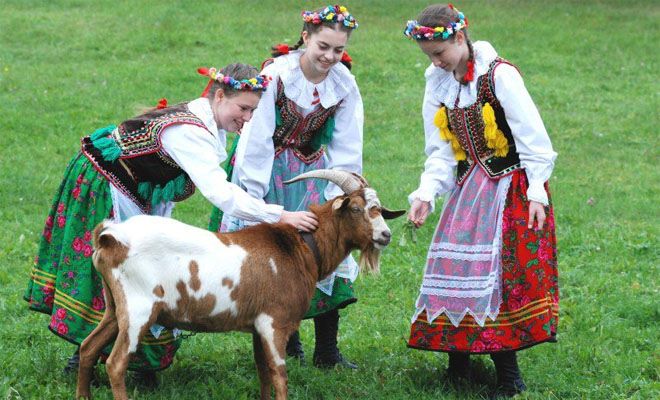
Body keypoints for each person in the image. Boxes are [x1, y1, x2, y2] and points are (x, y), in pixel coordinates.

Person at [24, 63, 317, 385]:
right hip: (105, 184)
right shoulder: (189, 132)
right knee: (116, 272)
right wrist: (279, 215)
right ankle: (85, 359)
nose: (248, 118)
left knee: (148, 271)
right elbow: (220, 193)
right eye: (243, 108)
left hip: (137, 189)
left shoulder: (208, 119)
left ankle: (133, 360)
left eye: (253, 110)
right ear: (219, 95)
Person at [403, 4, 559, 398]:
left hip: (511, 186)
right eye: (429, 56)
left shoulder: (498, 75)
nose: (436, 63)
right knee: (454, 267)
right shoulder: (437, 83)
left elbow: (533, 136)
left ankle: (509, 377)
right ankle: (458, 363)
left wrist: (537, 189)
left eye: (440, 53)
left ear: (459, 37)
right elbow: (439, 148)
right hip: (469, 187)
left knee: (499, 276)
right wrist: (427, 192)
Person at [214, 5, 363, 369]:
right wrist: (254, 195)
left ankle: (327, 349)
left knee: (325, 247)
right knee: (278, 252)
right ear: (306, 37)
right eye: (323, 46)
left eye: (338, 49)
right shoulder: (278, 75)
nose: (330, 56)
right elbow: (257, 139)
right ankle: (288, 338)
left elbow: (347, 145)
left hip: (314, 172)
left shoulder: (343, 82)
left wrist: (338, 198)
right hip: (268, 169)